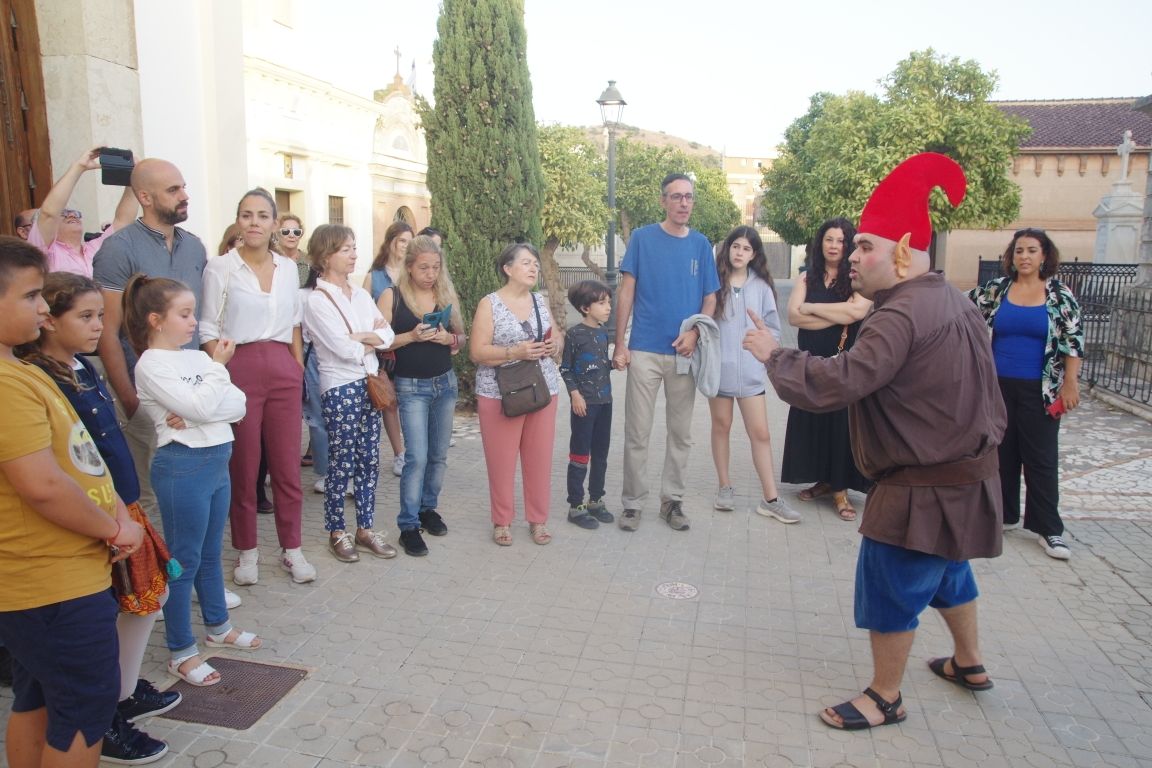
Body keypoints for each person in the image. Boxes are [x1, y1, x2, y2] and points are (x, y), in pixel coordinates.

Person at [744, 153, 1005, 730]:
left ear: (905, 252)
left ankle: (884, 698)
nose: (854, 256)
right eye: (854, 246)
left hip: (923, 484)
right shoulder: (954, 298)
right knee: (950, 570)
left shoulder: (898, 314)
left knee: (890, 583)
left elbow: (841, 381)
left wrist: (775, 355)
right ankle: (969, 662)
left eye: (866, 246)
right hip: (967, 474)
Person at [15, 272, 177, 763]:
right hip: (82, 533)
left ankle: (120, 692)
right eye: (83, 317)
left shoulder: (83, 369)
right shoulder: (35, 378)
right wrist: (108, 523)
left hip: (115, 506)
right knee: (72, 678)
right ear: (50, 322)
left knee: (145, 596)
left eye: (99, 317)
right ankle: (107, 716)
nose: (96, 328)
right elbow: (50, 477)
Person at [0, 236, 144, 768]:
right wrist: (113, 529)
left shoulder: (17, 372)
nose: (43, 308)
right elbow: (42, 485)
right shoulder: (7, 383)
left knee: (39, 696)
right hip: (50, 584)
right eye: (31, 297)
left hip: (53, 581)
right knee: (85, 706)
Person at [124, 274, 262, 687]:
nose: (192, 322)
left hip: (216, 462)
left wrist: (204, 407)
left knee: (209, 551)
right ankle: (180, 650)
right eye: (184, 314)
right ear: (155, 320)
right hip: (182, 466)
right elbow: (203, 401)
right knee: (183, 560)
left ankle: (218, 624)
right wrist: (214, 379)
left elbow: (238, 404)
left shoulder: (199, 360)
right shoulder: (151, 363)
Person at [199, 189, 314, 586]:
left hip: (283, 366)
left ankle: (292, 549)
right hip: (239, 366)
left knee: (286, 465)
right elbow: (207, 327)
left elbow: (296, 322)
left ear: (273, 223)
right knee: (244, 467)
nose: (254, 223)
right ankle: (246, 551)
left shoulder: (287, 269)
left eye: (262, 216)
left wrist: (296, 367)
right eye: (246, 215)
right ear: (238, 221)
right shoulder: (220, 268)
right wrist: (220, 368)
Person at [967, 228, 1084, 560]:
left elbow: (1072, 342)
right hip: (1000, 387)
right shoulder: (999, 290)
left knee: (1041, 459)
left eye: (1032, 250)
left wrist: (1070, 384)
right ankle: (1003, 516)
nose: (1025, 257)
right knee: (1002, 454)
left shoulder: (1059, 295)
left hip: (1042, 390)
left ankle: (1049, 530)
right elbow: (962, 306)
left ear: (1045, 255)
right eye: (1019, 251)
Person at [613, 172, 720, 531]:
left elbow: (711, 296)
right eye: (676, 197)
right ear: (663, 201)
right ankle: (632, 503)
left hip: (683, 353)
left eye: (688, 197)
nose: (683, 203)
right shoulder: (642, 239)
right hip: (643, 349)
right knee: (637, 432)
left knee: (681, 433)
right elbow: (626, 291)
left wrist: (695, 333)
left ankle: (672, 502)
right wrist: (621, 343)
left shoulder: (702, 245)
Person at [303, 224, 398, 562]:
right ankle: (337, 530)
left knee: (369, 459)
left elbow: (387, 335)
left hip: (369, 382)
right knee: (341, 461)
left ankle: (366, 528)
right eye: (346, 249)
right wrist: (365, 339)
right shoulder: (317, 299)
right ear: (326, 255)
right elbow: (343, 350)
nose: (354, 254)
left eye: (354, 247)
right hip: (340, 386)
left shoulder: (359, 294)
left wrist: (364, 337)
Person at [378, 235, 465, 556]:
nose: (430, 274)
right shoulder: (392, 296)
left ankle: (428, 508)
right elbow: (379, 341)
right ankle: (408, 524)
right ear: (409, 267)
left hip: (445, 383)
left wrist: (449, 339)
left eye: (436, 267)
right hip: (411, 387)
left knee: (439, 455)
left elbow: (461, 339)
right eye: (424, 268)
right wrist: (411, 336)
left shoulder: (443, 293)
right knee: (416, 457)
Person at [470, 243, 562, 546]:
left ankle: (538, 520)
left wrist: (553, 346)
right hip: (499, 393)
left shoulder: (539, 300)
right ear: (508, 269)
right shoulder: (490, 304)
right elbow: (477, 351)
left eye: (535, 263)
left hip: (542, 389)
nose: (534, 267)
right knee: (501, 461)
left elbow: (556, 336)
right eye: (526, 262)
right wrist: (515, 351)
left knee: (539, 459)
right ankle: (502, 521)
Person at [781, 218, 872, 521]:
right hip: (811, 360)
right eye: (829, 240)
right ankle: (822, 480)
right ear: (821, 243)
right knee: (814, 420)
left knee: (840, 423)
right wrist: (835, 312)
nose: (834, 246)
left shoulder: (859, 276)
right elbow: (794, 317)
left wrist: (811, 308)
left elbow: (858, 310)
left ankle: (841, 490)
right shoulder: (808, 278)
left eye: (841, 241)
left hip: (844, 362)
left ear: (849, 246)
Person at [708, 226, 798, 523]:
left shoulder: (761, 287)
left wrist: (760, 345)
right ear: (728, 248)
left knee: (760, 432)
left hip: (751, 376)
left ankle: (771, 498)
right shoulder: (714, 283)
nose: (739, 253)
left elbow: (772, 328)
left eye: (746, 249)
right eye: (736, 246)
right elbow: (703, 323)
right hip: (720, 372)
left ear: (754, 254)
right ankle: (724, 487)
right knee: (721, 426)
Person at [27, 147, 139, 277]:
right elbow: (49, 214)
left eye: (75, 212)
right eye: (63, 213)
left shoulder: (97, 246)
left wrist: (134, 177)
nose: (72, 215)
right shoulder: (43, 251)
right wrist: (79, 167)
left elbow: (123, 221)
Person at [559, 280, 615, 529]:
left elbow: (601, 366)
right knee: (580, 454)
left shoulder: (603, 333)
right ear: (584, 307)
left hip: (605, 402)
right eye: (601, 303)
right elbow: (566, 368)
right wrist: (575, 395)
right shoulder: (574, 334)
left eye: (609, 302)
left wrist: (616, 363)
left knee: (601, 454)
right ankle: (576, 505)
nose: (608, 307)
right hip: (584, 405)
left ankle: (596, 499)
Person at [365, 221, 412, 478]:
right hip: (385, 349)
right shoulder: (375, 276)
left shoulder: (412, 272)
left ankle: (413, 451)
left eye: (409, 241)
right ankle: (399, 453)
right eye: (402, 240)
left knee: (409, 401)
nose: (405, 246)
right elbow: (362, 308)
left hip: (411, 344)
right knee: (390, 402)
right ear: (391, 241)